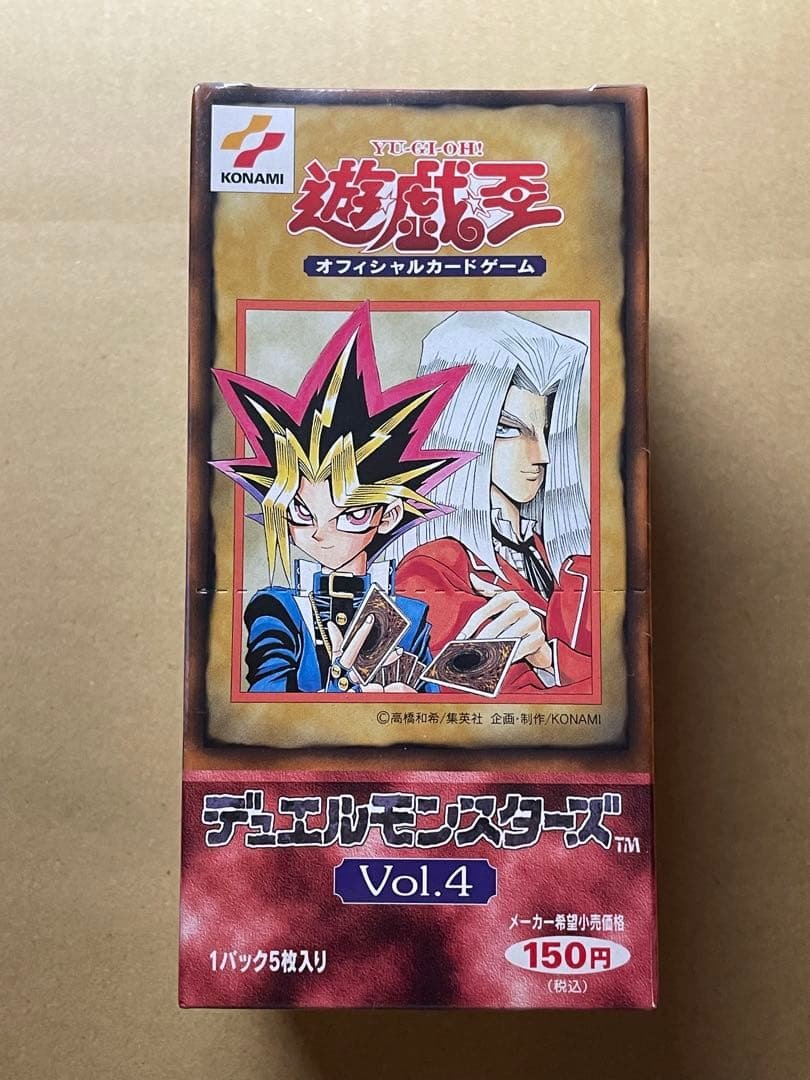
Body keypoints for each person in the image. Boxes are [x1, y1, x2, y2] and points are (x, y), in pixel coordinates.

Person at [211, 303, 471, 693]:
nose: (320, 532)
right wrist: (341, 688)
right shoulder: (277, 610)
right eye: (302, 511)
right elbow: (265, 704)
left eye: (350, 514)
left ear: (388, 515)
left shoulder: (412, 615)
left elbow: (429, 704)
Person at [390, 311, 593, 693]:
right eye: (508, 429)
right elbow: (481, 709)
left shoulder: (572, 563)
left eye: (545, 430)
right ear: (463, 429)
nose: (541, 455)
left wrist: (548, 659)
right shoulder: (433, 570)